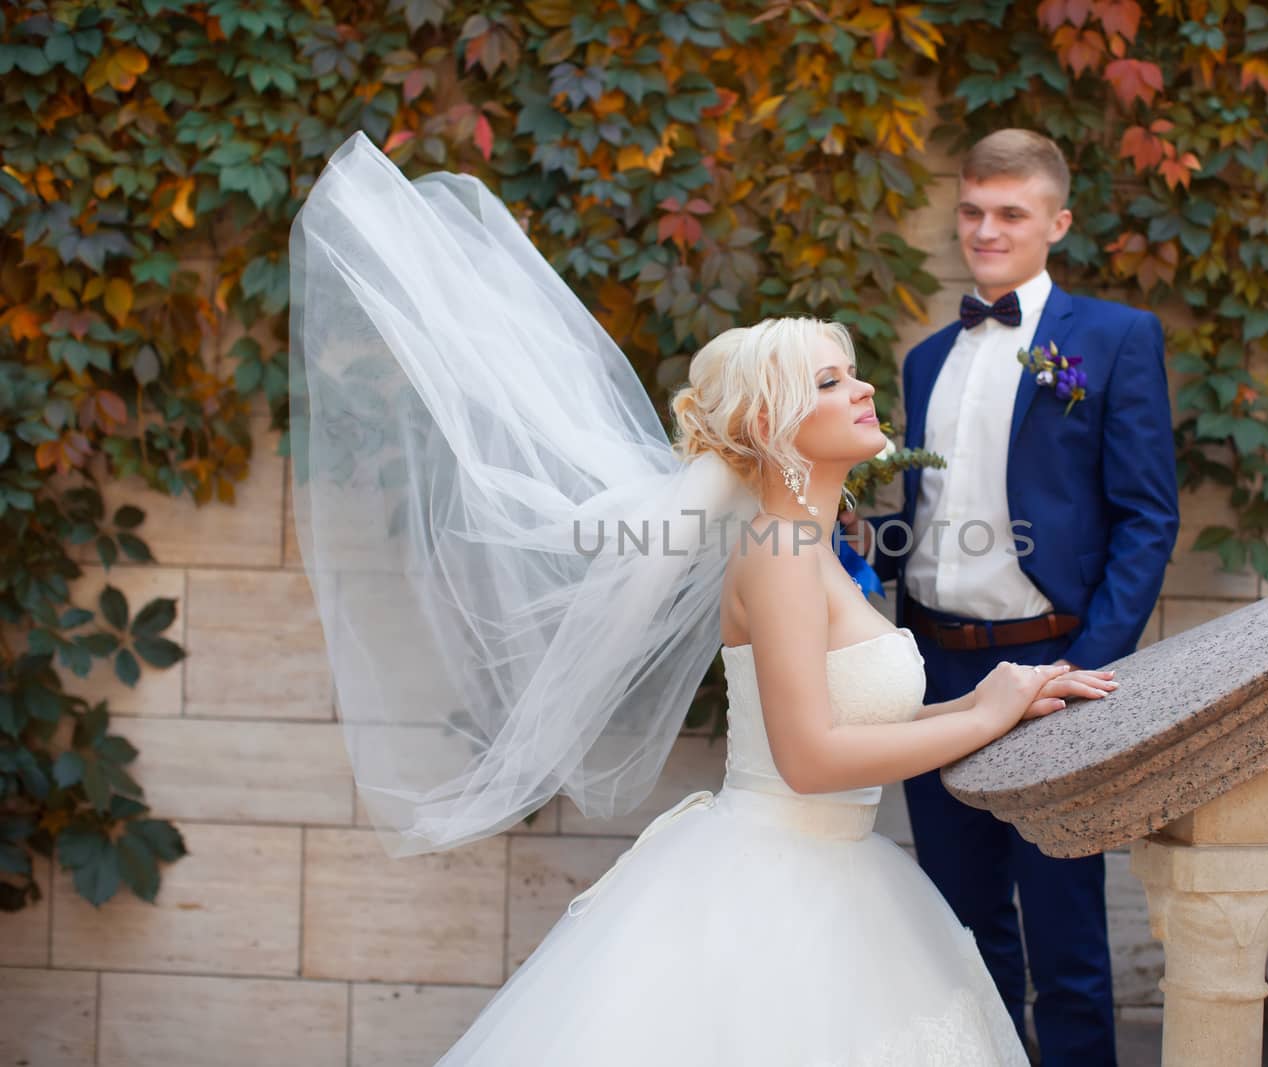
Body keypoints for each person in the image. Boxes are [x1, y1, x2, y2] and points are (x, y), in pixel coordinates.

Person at [288, 131, 1119, 1065]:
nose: (861, 389)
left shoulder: (809, 545)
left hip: (831, 871)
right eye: (830, 380)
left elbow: (846, 713)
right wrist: (981, 717)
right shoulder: (776, 554)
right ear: (771, 425)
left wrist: (994, 694)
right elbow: (810, 757)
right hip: (781, 884)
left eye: (851, 372)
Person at [841, 129, 1180, 1065]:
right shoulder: (923, 359)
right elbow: (936, 507)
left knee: (1065, 937)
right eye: (972, 211)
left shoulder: (1115, 338)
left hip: (1051, 660)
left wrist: (1088, 660)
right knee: (958, 925)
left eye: (1010, 214)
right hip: (936, 665)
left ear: (1056, 222)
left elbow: (1148, 515)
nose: (986, 231)